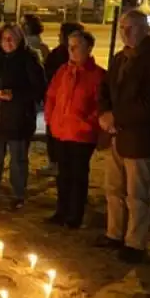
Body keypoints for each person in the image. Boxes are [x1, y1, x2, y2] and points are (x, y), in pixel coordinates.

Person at [97, 10, 150, 263]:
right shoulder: (120, 58)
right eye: (122, 27)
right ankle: (114, 233)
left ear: (146, 29)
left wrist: (116, 117)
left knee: (137, 194)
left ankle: (135, 242)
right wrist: (105, 113)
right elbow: (106, 89)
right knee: (113, 189)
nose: (125, 32)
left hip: (140, 137)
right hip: (116, 136)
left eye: (131, 27)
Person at [44, 30, 104, 229]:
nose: (71, 50)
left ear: (88, 48)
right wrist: (51, 119)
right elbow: (52, 96)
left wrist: (87, 123)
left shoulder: (97, 75)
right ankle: (61, 211)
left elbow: (100, 105)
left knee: (78, 175)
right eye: (69, 46)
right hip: (61, 132)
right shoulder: (63, 71)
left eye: (76, 46)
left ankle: (74, 215)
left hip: (82, 135)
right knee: (63, 174)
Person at [0, 23, 46, 210]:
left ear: (20, 39)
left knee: (18, 159)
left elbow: (39, 89)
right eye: (4, 38)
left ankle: (18, 193)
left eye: (12, 38)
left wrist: (15, 95)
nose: (8, 42)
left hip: (19, 120)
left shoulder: (29, 60)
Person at [38, 22, 86, 177]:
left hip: (70, 109)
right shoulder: (58, 55)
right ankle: (56, 163)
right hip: (58, 106)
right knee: (54, 136)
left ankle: (60, 165)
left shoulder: (68, 57)